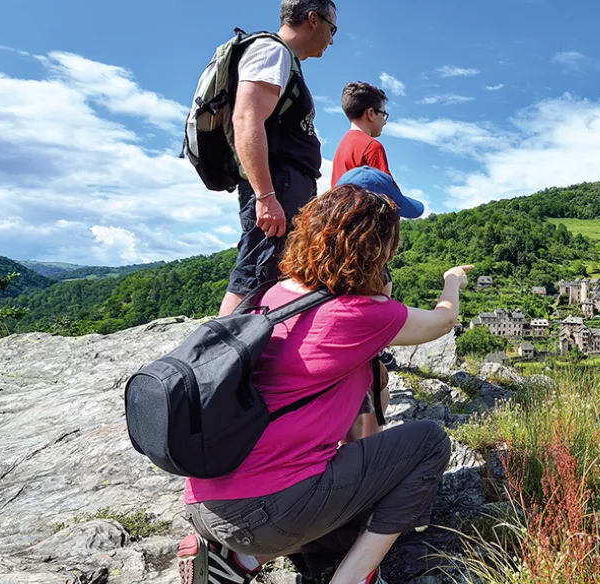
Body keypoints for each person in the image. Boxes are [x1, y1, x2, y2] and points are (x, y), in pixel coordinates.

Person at [178, 183, 472, 584]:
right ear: (376, 252)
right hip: (265, 513)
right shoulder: (361, 313)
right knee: (429, 442)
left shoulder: (274, 293)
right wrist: (451, 281)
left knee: (331, 468)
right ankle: (351, 577)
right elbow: (442, 321)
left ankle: (234, 560)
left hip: (203, 504)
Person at [218, 0, 338, 317]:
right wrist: (266, 196)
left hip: (285, 185)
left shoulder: (283, 59)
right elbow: (246, 119)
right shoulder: (273, 52)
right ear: (314, 19)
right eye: (332, 28)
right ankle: (219, 357)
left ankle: (252, 353)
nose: (332, 39)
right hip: (278, 186)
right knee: (256, 273)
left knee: (274, 271)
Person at [334, 167, 425, 446]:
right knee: (380, 389)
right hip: (313, 478)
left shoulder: (303, 278)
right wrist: (452, 283)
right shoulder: (378, 280)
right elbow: (441, 322)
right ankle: (364, 458)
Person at [330, 82, 393, 187]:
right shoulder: (371, 146)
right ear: (371, 113)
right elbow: (388, 194)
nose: (384, 121)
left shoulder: (342, 146)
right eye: (383, 114)